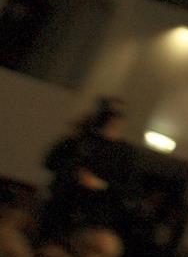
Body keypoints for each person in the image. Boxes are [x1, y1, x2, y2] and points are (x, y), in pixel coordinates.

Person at [40, 99, 131, 240]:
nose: (111, 119)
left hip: (91, 216)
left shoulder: (124, 152)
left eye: (116, 115)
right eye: (107, 113)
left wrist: (100, 184)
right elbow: (51, 162)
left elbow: (126, 189)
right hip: (60, 207)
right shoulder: (80, 139)